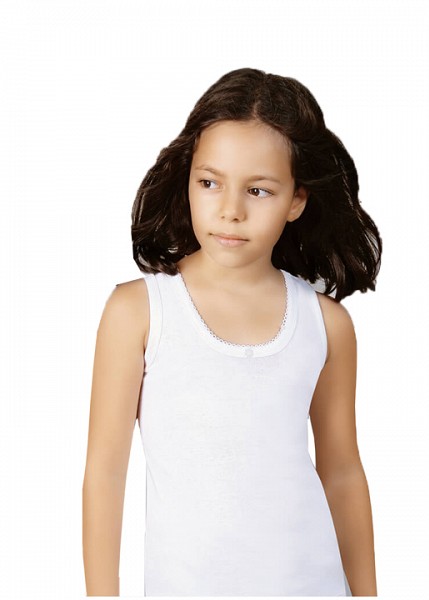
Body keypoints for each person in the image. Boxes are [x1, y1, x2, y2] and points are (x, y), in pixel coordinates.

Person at [82, 67, 381, 597]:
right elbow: (105, 472)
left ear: (296, 200)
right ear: (188, 180)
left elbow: (342, 472)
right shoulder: (139, 312)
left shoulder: (326, 324)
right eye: (210, 182)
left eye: (258, 190)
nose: (230, 210)